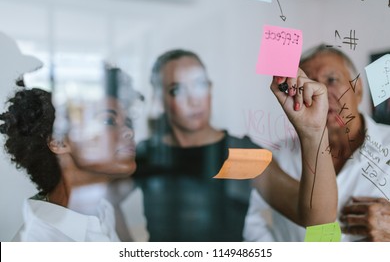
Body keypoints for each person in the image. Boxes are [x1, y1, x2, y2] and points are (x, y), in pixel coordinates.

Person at [135, 49, 337, 241]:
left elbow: (318, 221)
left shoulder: (241, 154)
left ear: (210, 89)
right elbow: (105, 204)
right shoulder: (145, 155)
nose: (194, 100)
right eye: (176, 89)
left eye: (200, 84)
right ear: (159, 100)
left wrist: (314, 132)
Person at [244, 44, 390, 242]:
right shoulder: (276, 158)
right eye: (308, 83)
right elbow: (254, 226)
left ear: (358, 89)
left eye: (331, 80)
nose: (319, 91)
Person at [0, 65, 148, 241]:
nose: (129, 132)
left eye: (128, 120)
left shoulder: (102, 208)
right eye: (109, 120)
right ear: (59, 141)